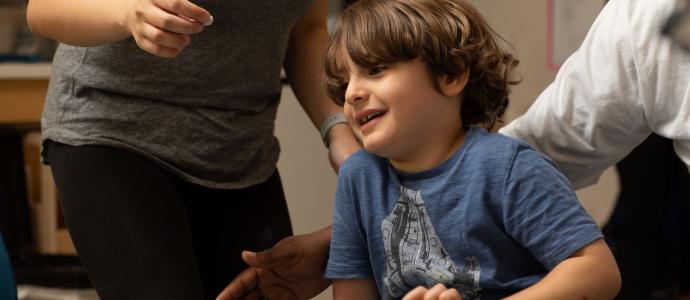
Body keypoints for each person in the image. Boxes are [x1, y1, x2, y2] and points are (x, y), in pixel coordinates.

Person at [218, 0, 689, 298]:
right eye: (345, 81)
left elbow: (598, 273)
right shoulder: (360, 180)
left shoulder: (509, 168)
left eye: (376, 69)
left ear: (451, 75)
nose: (351, 94)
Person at [25, 0, 359, 299]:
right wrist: (126, 14)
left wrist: (337, 128)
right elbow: (43, 9)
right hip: (114, 128)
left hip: (240, 152)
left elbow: (306, 26)